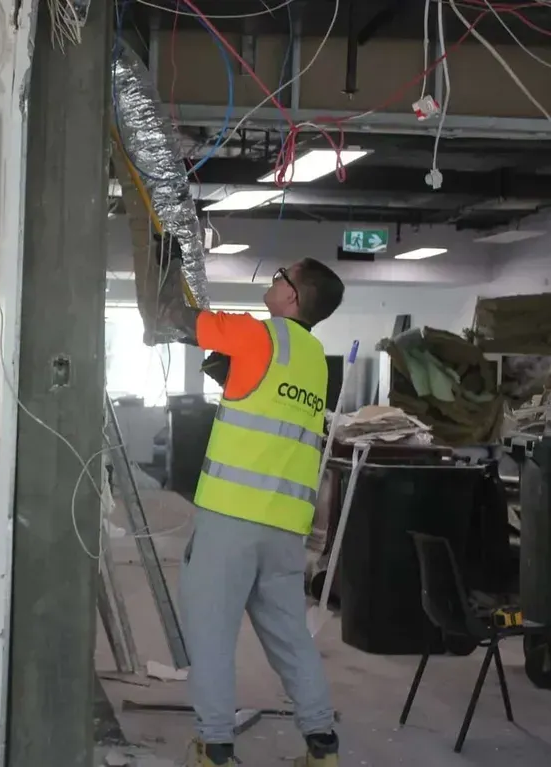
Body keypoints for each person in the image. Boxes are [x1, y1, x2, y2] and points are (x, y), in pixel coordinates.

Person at [157, 258, 346, 767]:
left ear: (293, 299)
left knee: (212, 637)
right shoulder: (314, 360)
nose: (274, 279)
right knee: (291, 640)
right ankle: (322, 747)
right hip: (285, 531)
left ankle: (214, 748)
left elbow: (176, 317)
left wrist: (167, 260)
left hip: (231, 521)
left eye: (281, 277)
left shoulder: (257, 335)